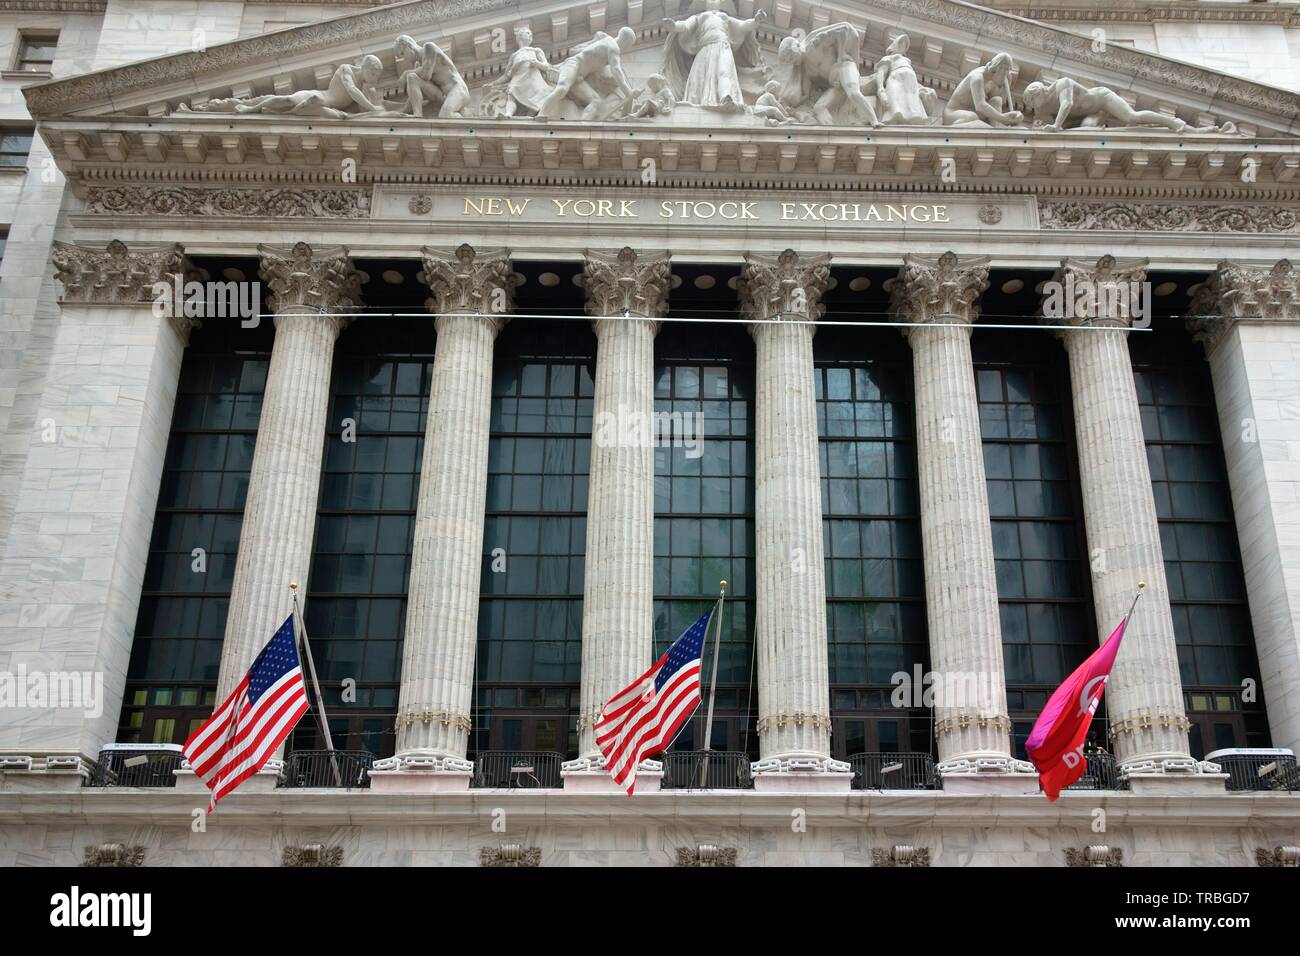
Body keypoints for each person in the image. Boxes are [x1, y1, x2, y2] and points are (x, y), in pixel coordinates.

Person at [180, 56, 394, 119]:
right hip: (317, 96)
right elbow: (353, 92)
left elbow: (378, 103)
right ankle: (248, 109)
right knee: (285, 101)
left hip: (323, 109)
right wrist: (372, 108)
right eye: (374, 73)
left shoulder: (366, 85)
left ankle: (264, 109)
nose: (375, 79)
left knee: (338, 117)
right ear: (366, 67)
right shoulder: (347, 69)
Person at [1022, 77, 1234, 133]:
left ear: (1038, 93)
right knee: (1088, 129)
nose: (1033, 108)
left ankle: (1174, 123)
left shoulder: (1062, 83)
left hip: (1102, 100)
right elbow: (1046, 125)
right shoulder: (1043, 108)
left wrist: (1057, 126)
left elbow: (1066, 105)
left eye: (1032, 102)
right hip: (1093, 116)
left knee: (1132, 118)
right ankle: (1176, 130)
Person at [662, 0, 768, 111]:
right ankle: (700, 100)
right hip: (705, 49)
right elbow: (685, 26)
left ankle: (726, 97)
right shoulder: (700, 17)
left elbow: (742, 26)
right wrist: (673, 26)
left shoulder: (724, 17)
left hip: (723, 47)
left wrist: (756, 20)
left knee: (724, 72)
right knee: (701, 76)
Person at [536, 27, 637, 121]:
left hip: (579, 77)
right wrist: (628, 91)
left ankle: (582, 125)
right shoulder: (613, 47)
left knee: (596, 101)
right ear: (625, 41)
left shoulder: (606, 41)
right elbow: (616, 70)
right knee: (562, 88)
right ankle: (542, 114)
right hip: (573, 65)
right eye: (628, 45)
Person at [481, 24, 558, 118]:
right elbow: (506, 76)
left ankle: (534, 115)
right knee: (512, 94)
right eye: (527, 33)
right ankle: (508, 114)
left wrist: (536, 63)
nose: (529, 36)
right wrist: (493, 83)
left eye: (530, 34)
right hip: (518, 79)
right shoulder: (514, 55)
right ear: (519, 36)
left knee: (538, 96)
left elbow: (546, 66)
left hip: (533, 79)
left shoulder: (536, 51)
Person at [393, 35, 469, 118]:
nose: (405, 59)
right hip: (442, 95)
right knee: (412, 78)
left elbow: (426, 74)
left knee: (445, 116)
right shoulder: (418, 65)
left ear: (409, 46)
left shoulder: (429, 47)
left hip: (457, 89)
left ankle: (466, 120)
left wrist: (406, 73)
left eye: (403, 53)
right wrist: (402, 111)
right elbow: (413, 94)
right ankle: (417, 114)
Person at [942, 53, 1023, 127]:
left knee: (997, 100)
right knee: (971, 117)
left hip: (976, 113)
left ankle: (996, 133)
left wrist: (1013, 116)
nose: (1005, 77)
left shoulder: (998, 79)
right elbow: (980, 106)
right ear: (997, 69)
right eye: (1004, 74)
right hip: (953, 113)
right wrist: (1005, 119)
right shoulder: (977, 77)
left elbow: (999, 103)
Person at [873, 34, 929, 125]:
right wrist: (880, 90)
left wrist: (922, 88)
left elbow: (913, 79)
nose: (903, 45)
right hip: (896, 80)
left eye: (905, 44)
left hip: (910, 86)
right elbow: (881, 73)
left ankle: (913, 119)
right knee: (896, 106)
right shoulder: (889, 58)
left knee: (912, 108)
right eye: (901, 43)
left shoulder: (907, 61)